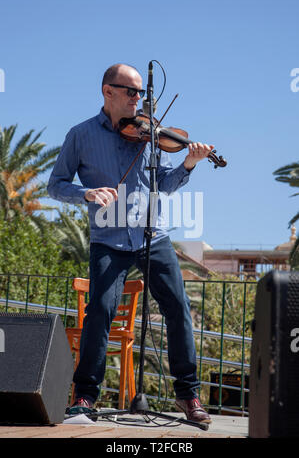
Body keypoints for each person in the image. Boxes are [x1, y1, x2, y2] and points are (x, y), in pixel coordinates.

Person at [47, 63, 213, 425]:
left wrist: (187, 164)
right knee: (100, 312)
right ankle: (85, 396)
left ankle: (188, 395)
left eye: (142, 93)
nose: (140, 99)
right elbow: (55, 184)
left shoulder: (150, 134)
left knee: (178, 309)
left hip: (153, 235)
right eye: (132, 91)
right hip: (108, 238)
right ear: (108, 92)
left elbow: (164, 185)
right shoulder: (81, 134)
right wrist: (86, 192)